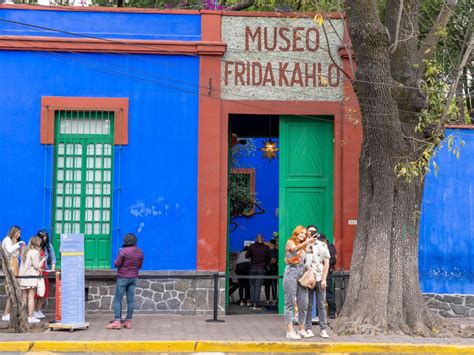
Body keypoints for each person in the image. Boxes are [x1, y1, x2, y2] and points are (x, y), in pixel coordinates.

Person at [283, 225, 316, 340]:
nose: (303, 235)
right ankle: (290, 331)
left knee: (304, 303)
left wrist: (311, 274)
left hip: (302, 275)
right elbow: (293, 249)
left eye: (304, 233)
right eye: (301, 233)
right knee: (289, 303)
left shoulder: (305, 247)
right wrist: (307, 242)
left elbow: (308, 263)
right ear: (296, 233)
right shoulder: (290, 242)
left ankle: (301, 329)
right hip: (291, 273)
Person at [107, 233, 144, 330]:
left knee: (118, 300)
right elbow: (139, 266)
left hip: (123, 278)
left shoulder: (123, 251)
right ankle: (128, 322)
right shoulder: (140, 252)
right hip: (134, 277)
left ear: (125, 241)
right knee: (130, 300)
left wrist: (119, 254)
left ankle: (117, 321)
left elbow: (116, 263)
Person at [304, 227, 331, 338]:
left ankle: (323, 329)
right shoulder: (304, 245)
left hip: (320, 278)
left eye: (314, 232)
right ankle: (308, 328)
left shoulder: (322, 245)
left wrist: (324, 279)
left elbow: (326, 263)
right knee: (308, 305)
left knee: (321, 305)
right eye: (310, 232)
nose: (312, 234)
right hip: (309, 279)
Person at [1, 226, 25, 322]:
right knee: (11, 290)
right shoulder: (7, 240)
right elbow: (10, 251)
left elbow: (18, 255)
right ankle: (6, 313)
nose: (19, 235)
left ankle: (9, 312)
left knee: (14, 290)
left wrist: (22, 249)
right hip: (10, 265)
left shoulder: (13, 241)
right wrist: (19, 244)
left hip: (15, 264)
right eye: (18, 233)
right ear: (14, 232)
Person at [19, 236, 44, 324]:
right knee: (31, 298)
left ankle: (23, 316)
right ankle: (30, 316)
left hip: (23, 277)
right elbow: (37, 266)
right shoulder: (35, 252)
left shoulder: (25, 250)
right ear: (37, 243)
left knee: (24, 297)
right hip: (31, 277)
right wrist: (42, 260)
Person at [34, 230, 56, 320]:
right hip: (36, 271)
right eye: (43, 237)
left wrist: (53, 268)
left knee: (43, 292)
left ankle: (38, 310)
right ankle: (33, 311)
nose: (44, 239)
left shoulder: (48, 246)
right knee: (36, 293)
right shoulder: (34, 247)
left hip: (44, 270)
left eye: (46, 237)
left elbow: (53, 258)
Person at [245, 234, 271, 310]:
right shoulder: (266, 248)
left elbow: (247, 256)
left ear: (256, 239)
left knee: (252, 286)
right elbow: (269, 259)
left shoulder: (251, 247)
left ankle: (252, 302)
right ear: (263, 239)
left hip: (252, 268)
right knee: (258, 286)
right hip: (262, 269)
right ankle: (256, 303)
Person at [319, 234, 337, 319]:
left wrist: (324, 261)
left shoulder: (330, 248)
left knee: (329, 293)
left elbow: (333, 260)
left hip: (328, 273)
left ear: (325, 240)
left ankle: (332, 312)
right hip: (318, 272)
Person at [264, 239, 278, 305]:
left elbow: (265, 260)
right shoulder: (277, 251)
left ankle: (267, 300)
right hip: (274, 269)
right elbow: (276, 260)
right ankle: (274, 300)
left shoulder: (267, 251)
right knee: (273, 285)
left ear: (270, 243)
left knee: (267, 285)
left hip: (267, 269)